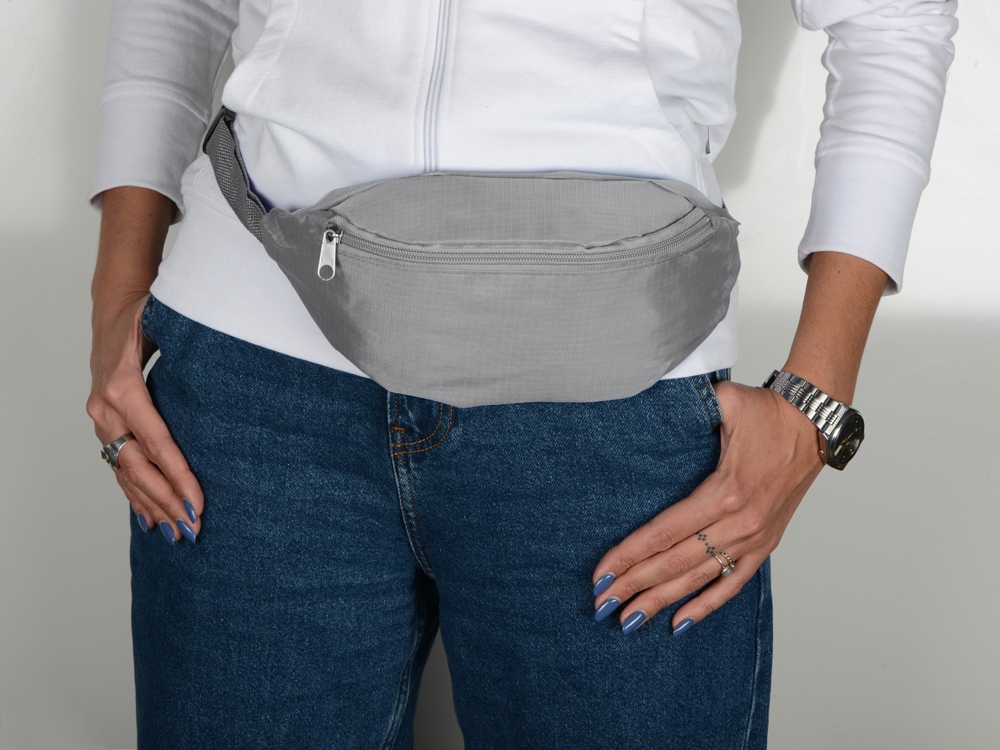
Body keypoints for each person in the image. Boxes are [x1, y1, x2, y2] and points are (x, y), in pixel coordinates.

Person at [86, 1, 958, 747]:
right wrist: (118, 293)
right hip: (255, 374)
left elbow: (893, 18)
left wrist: (816, 402)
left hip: (615, 398)